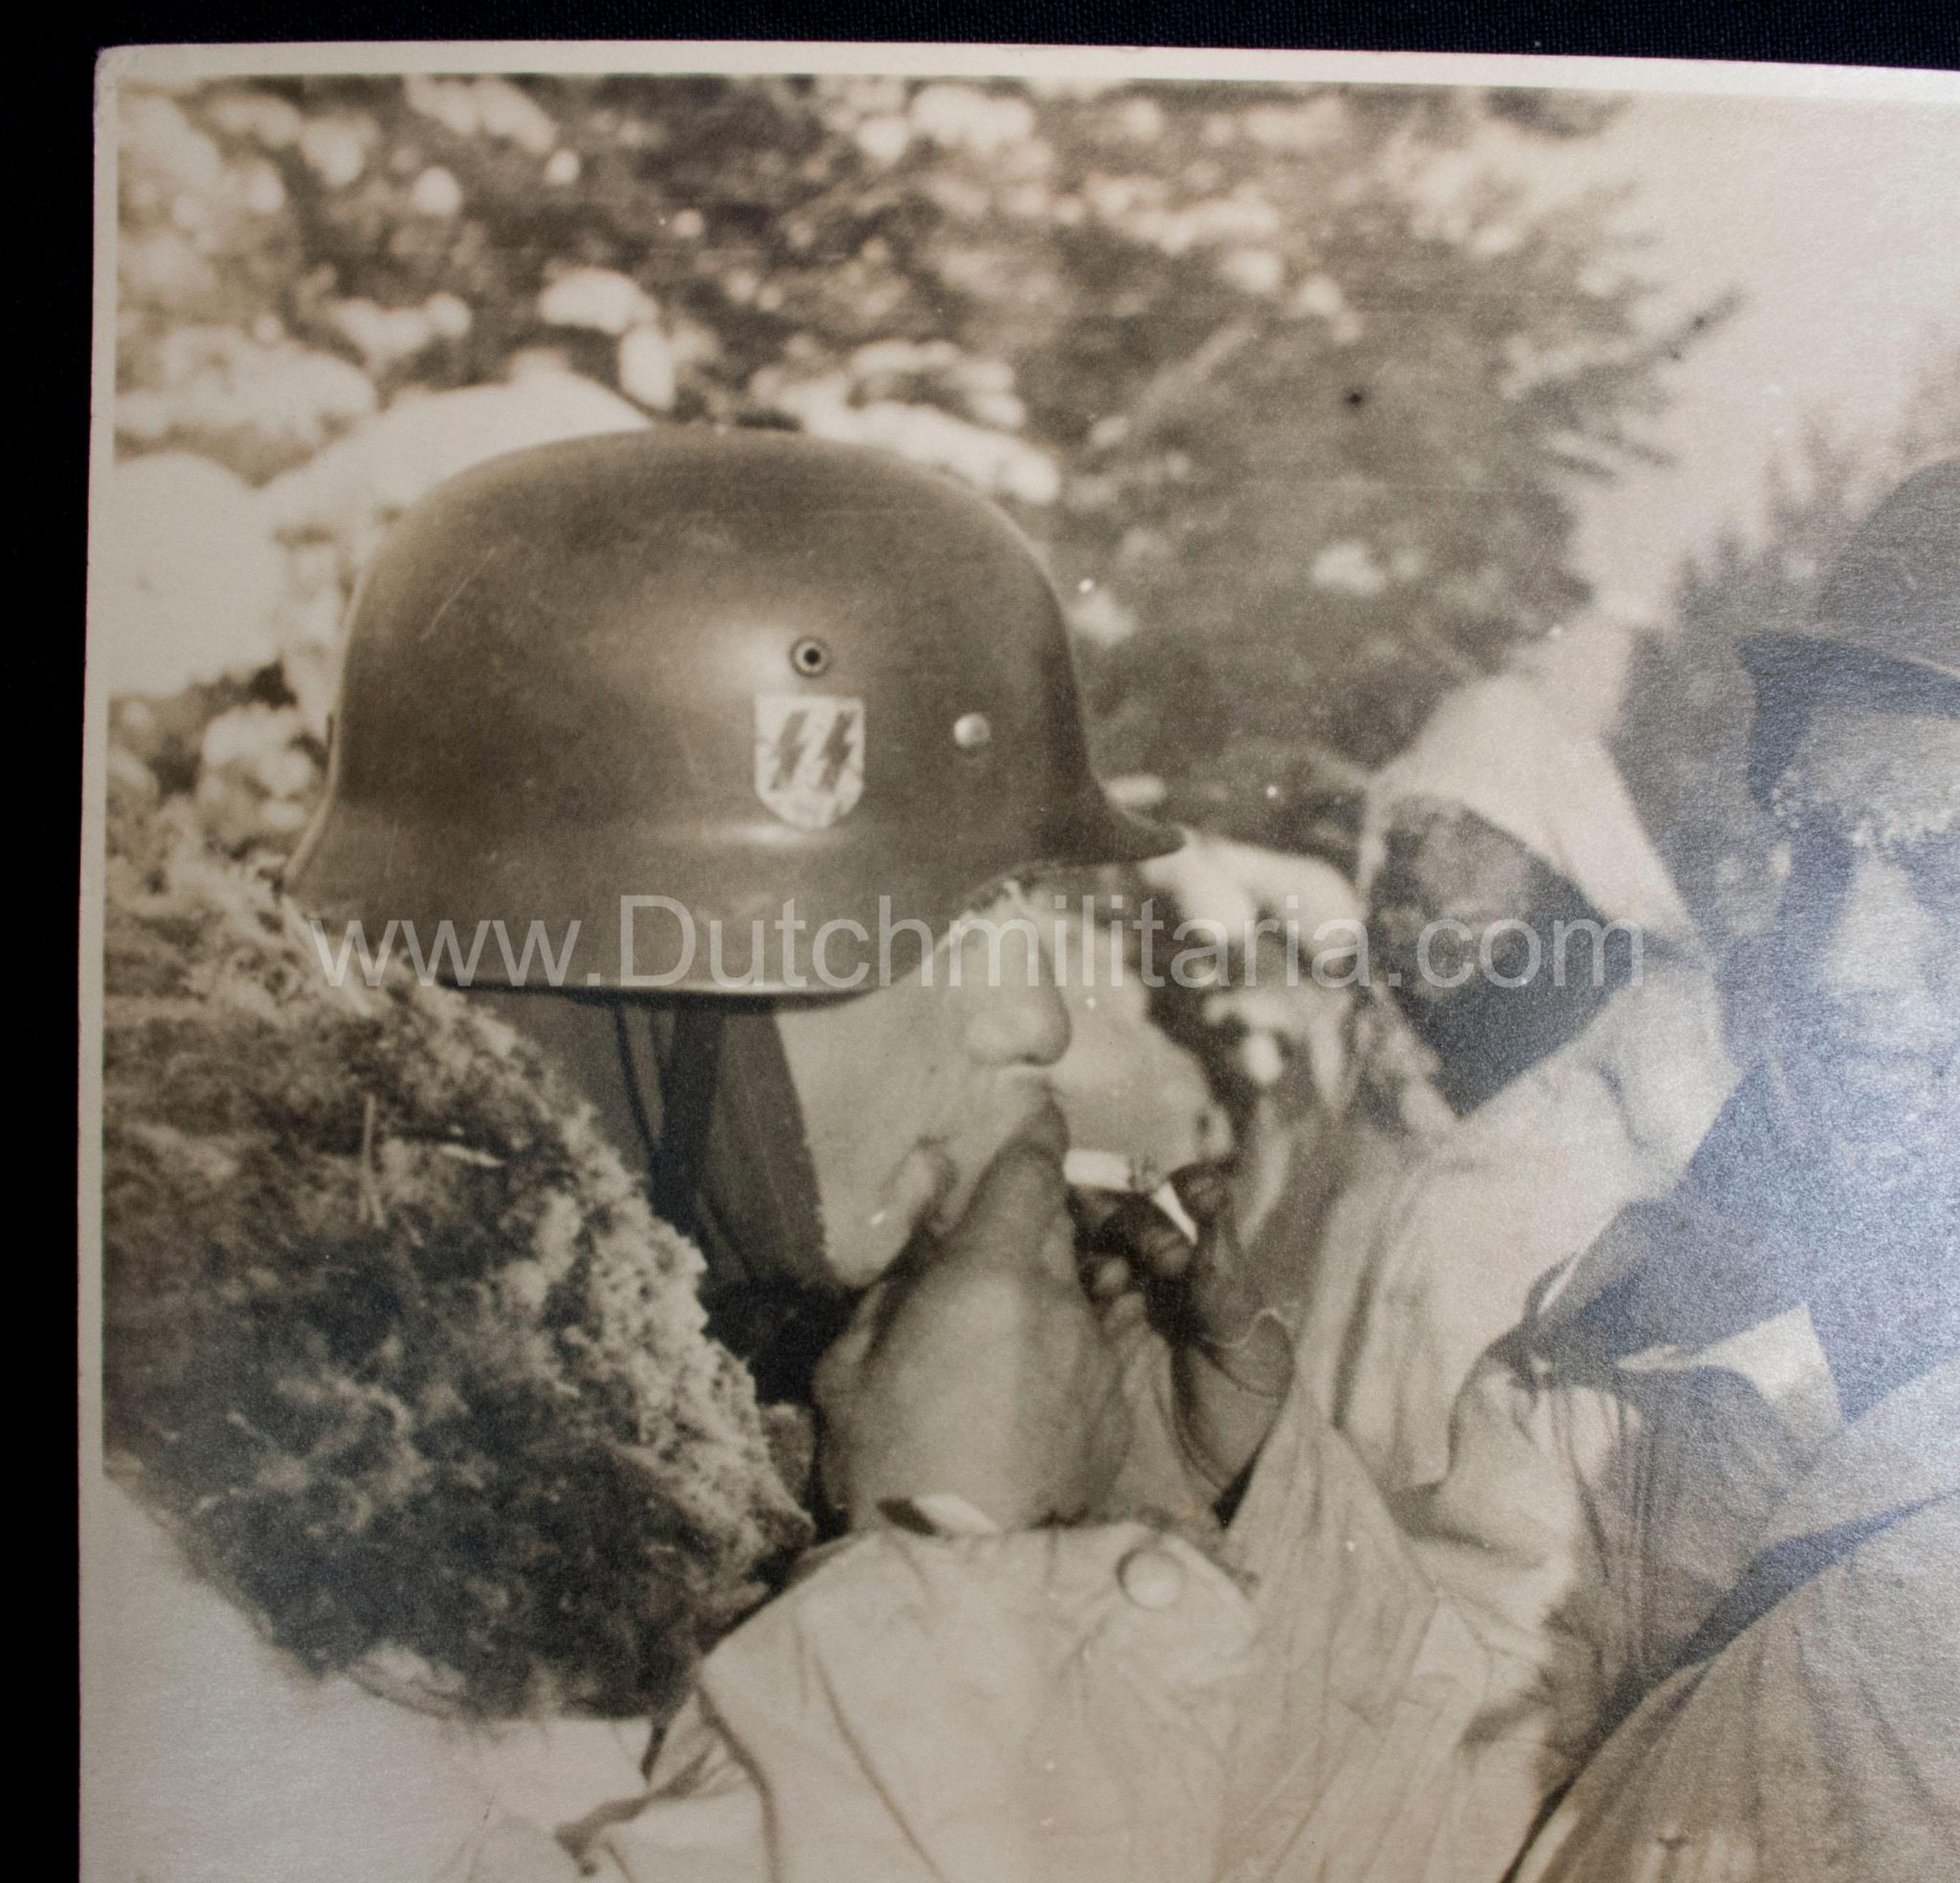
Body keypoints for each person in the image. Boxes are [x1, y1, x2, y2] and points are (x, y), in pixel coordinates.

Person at [477, 459, 1959, 1881]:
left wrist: (942, 1569)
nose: (1846, 960)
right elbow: (1489, 1820)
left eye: (1948, 874)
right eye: (1826, 854)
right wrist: (1224, 1509)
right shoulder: (1709, 1334)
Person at [90, 428, 1289, 1881]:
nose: (1033, 1022)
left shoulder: (720, 1412)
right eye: (959, 918)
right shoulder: (223, 1546)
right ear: (641, 954)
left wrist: (1151, 1529)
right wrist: (944, 1581)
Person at [1282, 666, 1739, 1493]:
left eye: (1470, 836)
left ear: (1555, 866)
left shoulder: (1652, 1055)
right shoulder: (1362, 1076)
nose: (1416, 874)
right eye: (1406, 836)